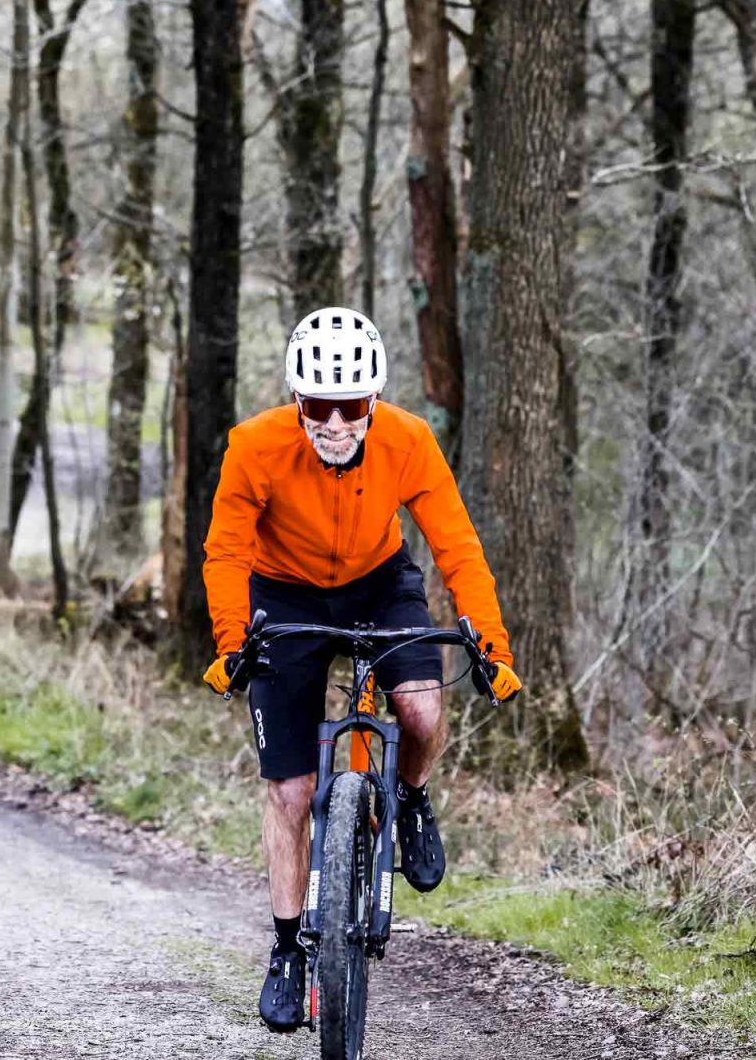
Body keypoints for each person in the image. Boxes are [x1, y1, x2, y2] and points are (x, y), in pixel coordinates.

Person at [199, 305, 522, 1033]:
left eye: (352, 407)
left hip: (380, 584)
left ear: (374, 401)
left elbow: (457, 546)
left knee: (423, 712)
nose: (336, 423)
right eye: (319, 405)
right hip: (282, 593)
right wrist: (231, 640)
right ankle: (287, 952)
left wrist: (491, 646)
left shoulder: (408, 440)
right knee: (290, 790)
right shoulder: (253, 447)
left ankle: (408, 797)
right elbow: (225, 552)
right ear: (296, 399)